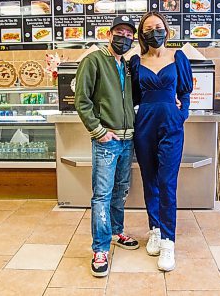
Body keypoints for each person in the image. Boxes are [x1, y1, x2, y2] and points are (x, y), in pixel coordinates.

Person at [75, 16, 140, 278]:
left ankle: (116, 232)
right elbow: (82, 101)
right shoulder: (94, 60)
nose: (124, 37)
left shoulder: (124, 64)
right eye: (119, 32)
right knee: (102, 194)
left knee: (120, 190)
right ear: (109, 34)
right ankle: (100, 248)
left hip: (127, 139)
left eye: (128, 34)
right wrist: (99, 131)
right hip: (107, 140)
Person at [129, 11, 193, 272]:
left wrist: (181, 114)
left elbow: (186, 91)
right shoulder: (136, 61)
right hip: (144, 125)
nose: (154, 31)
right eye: (148, 28)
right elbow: (132, 96)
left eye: (158, 26)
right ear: (142, 34)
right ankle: (154, 228)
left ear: (166, 30)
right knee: (150, 180)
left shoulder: (178, 57)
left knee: (167, 182)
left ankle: (168, 241)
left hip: (171, 126)